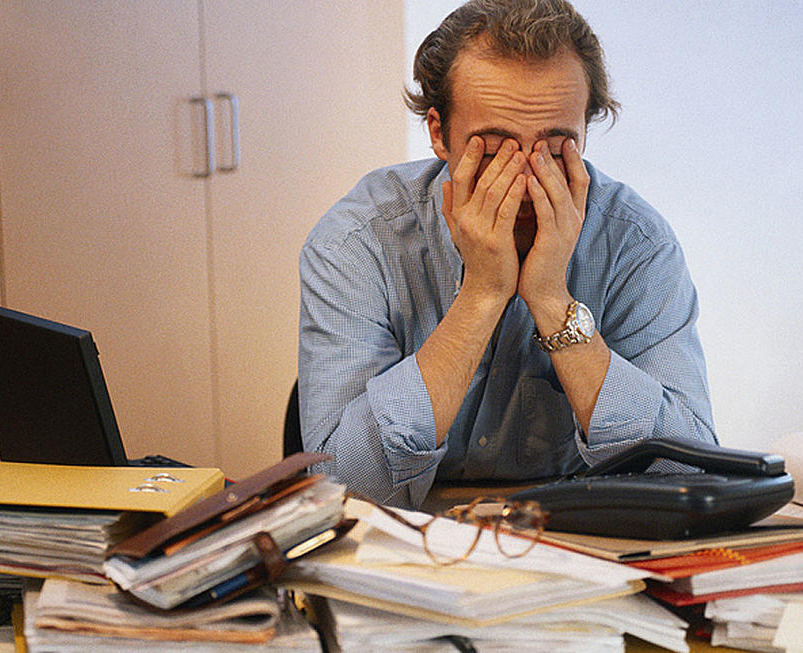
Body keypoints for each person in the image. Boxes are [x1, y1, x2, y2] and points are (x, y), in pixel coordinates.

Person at [298, 0, 716, 509]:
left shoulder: (635, 244)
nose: (523, 182)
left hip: (572, 544)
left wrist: (551, 301)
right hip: (405, 549)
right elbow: (343, 486)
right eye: (494, 152)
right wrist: (482, 294)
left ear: (583, 133)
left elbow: (691, 476)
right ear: (438, 134)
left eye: (556, 149)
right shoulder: (358, 242)